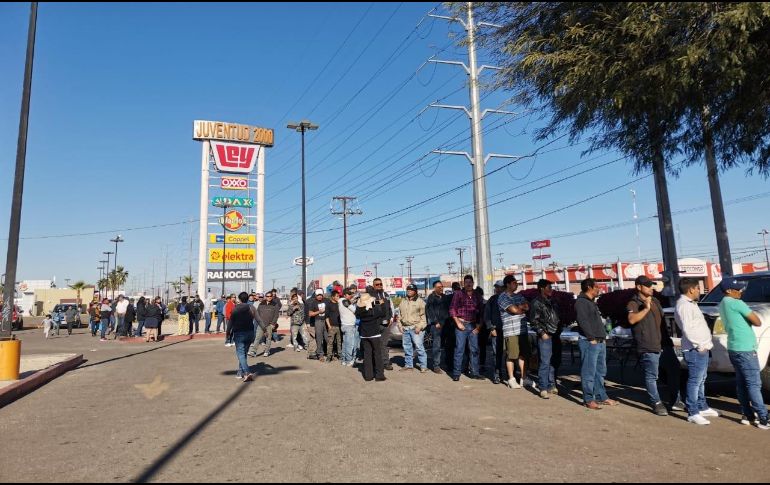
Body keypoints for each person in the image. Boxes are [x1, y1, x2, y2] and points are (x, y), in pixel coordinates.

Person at [627, 275, 683, 416]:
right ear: (639, 287)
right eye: (647, 285)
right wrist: (645, 308)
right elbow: (632, 320)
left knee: (674, 370)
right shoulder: (633, 303)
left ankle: (676, 400)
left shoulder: (656, 301)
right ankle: (656, 402)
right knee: (652, 375)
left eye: (651, 284)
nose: (651, 287)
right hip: (648, 345)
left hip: (664, 343)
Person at [718, 278, 769, 430]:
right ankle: (763, 418)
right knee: (753, 384)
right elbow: (757, 321)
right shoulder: (737, 303)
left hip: (734, 347)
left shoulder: (722, 303)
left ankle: (747, 415)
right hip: (746, 348)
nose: (741, 291)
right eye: (738, 289)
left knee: (741, 383)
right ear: (728, 291)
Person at [675, 278, 719, 425]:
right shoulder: (684, 306)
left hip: (702, 347)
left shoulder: (690, 304)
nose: (699, 291)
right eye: (698, 289)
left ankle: (702, 406)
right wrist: (699, 345)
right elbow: (688, 329)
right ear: (691, 289)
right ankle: (693, 411)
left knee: (701, 379)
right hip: (695, 349)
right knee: (695, 380)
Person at [575, 278, 617, 410]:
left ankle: (601, 396)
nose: (599, 289)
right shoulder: (581, 302)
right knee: (589, 372)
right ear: (589, 287)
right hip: (590, 342)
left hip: (599, 341)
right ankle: (588, 399)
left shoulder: (591, 302)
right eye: (597, 286)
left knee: (600, 371)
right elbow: (583, 321)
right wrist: (591, 338)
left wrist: (602, 338)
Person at [529, 279, 563, 398]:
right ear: (542, 288)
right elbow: (533, 321)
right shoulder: (536, 302)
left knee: (554, 361)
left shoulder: (553, 301)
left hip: (555, 335)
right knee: (545, 362)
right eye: (549, 287)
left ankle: (551, 384)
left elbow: (558, 317)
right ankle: (543, 387)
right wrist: (542, 332)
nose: (551, 290)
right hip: (545, 336)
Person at [498, 275, 531, 389]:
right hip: (511, 331)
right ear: (507, 284)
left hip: (522, 330)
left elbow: (527, 306)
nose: (516, 284)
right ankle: (511, 379)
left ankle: (524, 378)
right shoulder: (502, 297)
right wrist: (519, 308)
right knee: (511, 355)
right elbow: (515, 310)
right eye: (514, 282)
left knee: (523, 355)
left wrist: (519, 307)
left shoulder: (519, 295)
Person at [450, 275, 485, 382]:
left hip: (473, 326)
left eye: (470, 282)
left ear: (473, 283)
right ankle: (456, 373)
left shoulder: (477, 295)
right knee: (459, 349)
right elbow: (452, 309)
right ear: (463, 284)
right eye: (466, 282)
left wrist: (479, 327)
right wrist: (458, 323)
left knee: (474, 350)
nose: (468, 284)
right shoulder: (458, 294)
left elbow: (482, 312)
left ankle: (475, 372)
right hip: (461, 325)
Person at [355, 286, 387, 382]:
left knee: (367, 355)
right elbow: (383, 313)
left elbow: (358, 312)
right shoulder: (374, 310)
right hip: (374, 333)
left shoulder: (359, 311)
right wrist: (381, 304)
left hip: (364, 334)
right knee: (377, 354)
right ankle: (379, 375)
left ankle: (368, 376)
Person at [398, 284, 428, 372]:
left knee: (419, 347)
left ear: (415, 292)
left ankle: (423, 366)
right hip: (405, 328)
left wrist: (420, 327)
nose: (409, 291)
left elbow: (424, 317)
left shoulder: (420, 302)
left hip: (416, 328)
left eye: (411, 290)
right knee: (407, 347)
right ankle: (408, 365)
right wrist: (400, 326)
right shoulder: (403, 301)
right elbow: (399, 315)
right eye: (408, 290)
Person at [231, 292, 259, 382]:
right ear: (248, 298)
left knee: (240, 354)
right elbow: (259, 319)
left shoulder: (236, 308)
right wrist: (265, 329)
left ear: (239, 299)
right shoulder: (252, 307)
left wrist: (228, 332)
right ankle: (240, 373)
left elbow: (230, 322)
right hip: (250, 333)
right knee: (243, 354)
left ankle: (247, 372)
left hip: (239, 334)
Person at [482, 280, 506, 383]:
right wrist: (491, 328)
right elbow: (486, 316)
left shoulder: (508, 298)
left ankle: (511, 375)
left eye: (500, 287)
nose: (498, 289)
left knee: (510, 354)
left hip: (508, 330)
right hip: (496, 330)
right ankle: (497, 374)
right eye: (496, 287)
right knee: (497, 353)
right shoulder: (492, 300)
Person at [425, 281, 449, 374]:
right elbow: (429, 311)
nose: (441, 288)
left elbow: (448, 310)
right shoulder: (431, 298)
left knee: (448, 345)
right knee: (437, 346)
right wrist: (436, 322)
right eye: (438, 287)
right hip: (436, 326)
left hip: (445, 324)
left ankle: (448, 364)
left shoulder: (445, 297)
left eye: (441, 287)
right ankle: (436, 366)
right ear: (434, 288)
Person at [372, 278, 395, 370]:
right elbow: (370, 305)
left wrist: (391, 319)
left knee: (384, 344)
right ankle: (375, 363)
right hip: (375, 324)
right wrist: (379, 302)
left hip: (386, 324)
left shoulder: (386, 295)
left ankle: (385, 362)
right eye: (377, 284)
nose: (379, 286)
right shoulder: (370, 295)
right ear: (374, 286)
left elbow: (391, 307)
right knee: (375, 345)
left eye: (380, 284)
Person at [251, 291, 280, 357]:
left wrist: (273, 324)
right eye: (267, 296)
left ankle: (267, 351)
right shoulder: (261, 304)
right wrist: (258, 321)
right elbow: (257, 313)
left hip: (269, 325)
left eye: (270, 296)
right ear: (265, 297)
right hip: (261, 324)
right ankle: (253, 351)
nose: (269, 297)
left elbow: (276, 315)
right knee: (257, 338)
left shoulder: (275, 304)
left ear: (272, 297)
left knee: (268, 338)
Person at [308, 289, 329, 362]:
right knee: (319, 339)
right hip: (318, 321)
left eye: (321, 295)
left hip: (327, 321)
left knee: (328, 338)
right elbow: (310, 314)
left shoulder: (327, 300)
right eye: (318, 295)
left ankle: (330, 354)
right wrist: (319, 312)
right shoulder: (313, 302)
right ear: (316, 295)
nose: (319, 296)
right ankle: (320, 355)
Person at [339, 288, 359, 366]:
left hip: (344, 325)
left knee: (345, 344)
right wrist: (355, 298)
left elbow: (348, 302)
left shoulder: (340, 301)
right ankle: (348, 360)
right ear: (344, 295)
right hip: (349, 325)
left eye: (351, 294)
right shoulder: (344, 301)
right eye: (349, 294)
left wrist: (353, 299)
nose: (350, 295)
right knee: (350, 344)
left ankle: (343, 360)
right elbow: (355, 311)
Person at [325, 290, 343, 363]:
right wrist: (329, 326)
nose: (338, 297)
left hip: (340, 326)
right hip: (332, 326)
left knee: (339, 342)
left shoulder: (340, 304)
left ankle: (340, 355)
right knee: (330, 342)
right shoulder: (329, 304)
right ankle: (329, 356)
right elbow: (327, 317)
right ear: (333, 297)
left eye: (339, 296)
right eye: (337, 296)